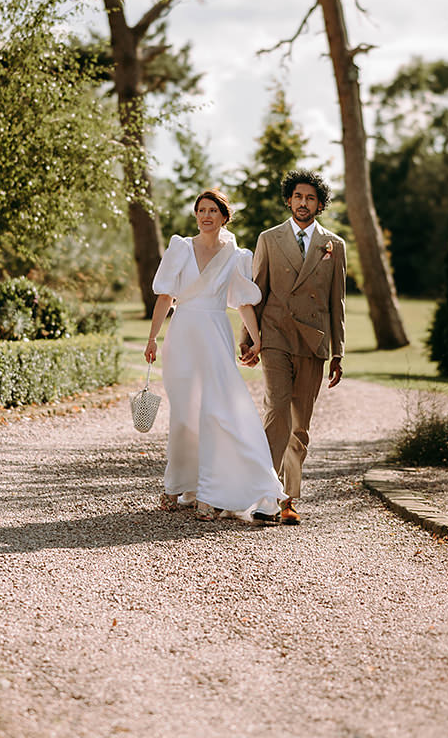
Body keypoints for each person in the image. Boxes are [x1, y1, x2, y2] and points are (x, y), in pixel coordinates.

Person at [144, 189, 286, 522]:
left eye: (213, 210)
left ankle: (211, 494)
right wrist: (152, 338)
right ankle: (177, 485)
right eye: (201, 210)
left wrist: (257, 338)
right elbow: (165, 297)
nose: (206, 216)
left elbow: (244, 302)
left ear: (225, 216)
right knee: (184, 414)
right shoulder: (180, 247)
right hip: (181, 336)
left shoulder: (236, 255)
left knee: (217, 410)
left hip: (215, 334)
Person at [238, 170, 345, 526]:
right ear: (289, 200)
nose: (304, 203)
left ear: (319, 204)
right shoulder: (269, 239)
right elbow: (256, 291)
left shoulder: (334, 245)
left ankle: (289, 499)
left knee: (300, 424)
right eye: (298, 197)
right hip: (276, 336)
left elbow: (337, 303)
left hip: (313, 341)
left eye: (311, 198)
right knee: (277, 409)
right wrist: (248, 338)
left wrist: (338, 352)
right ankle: (269, 494)